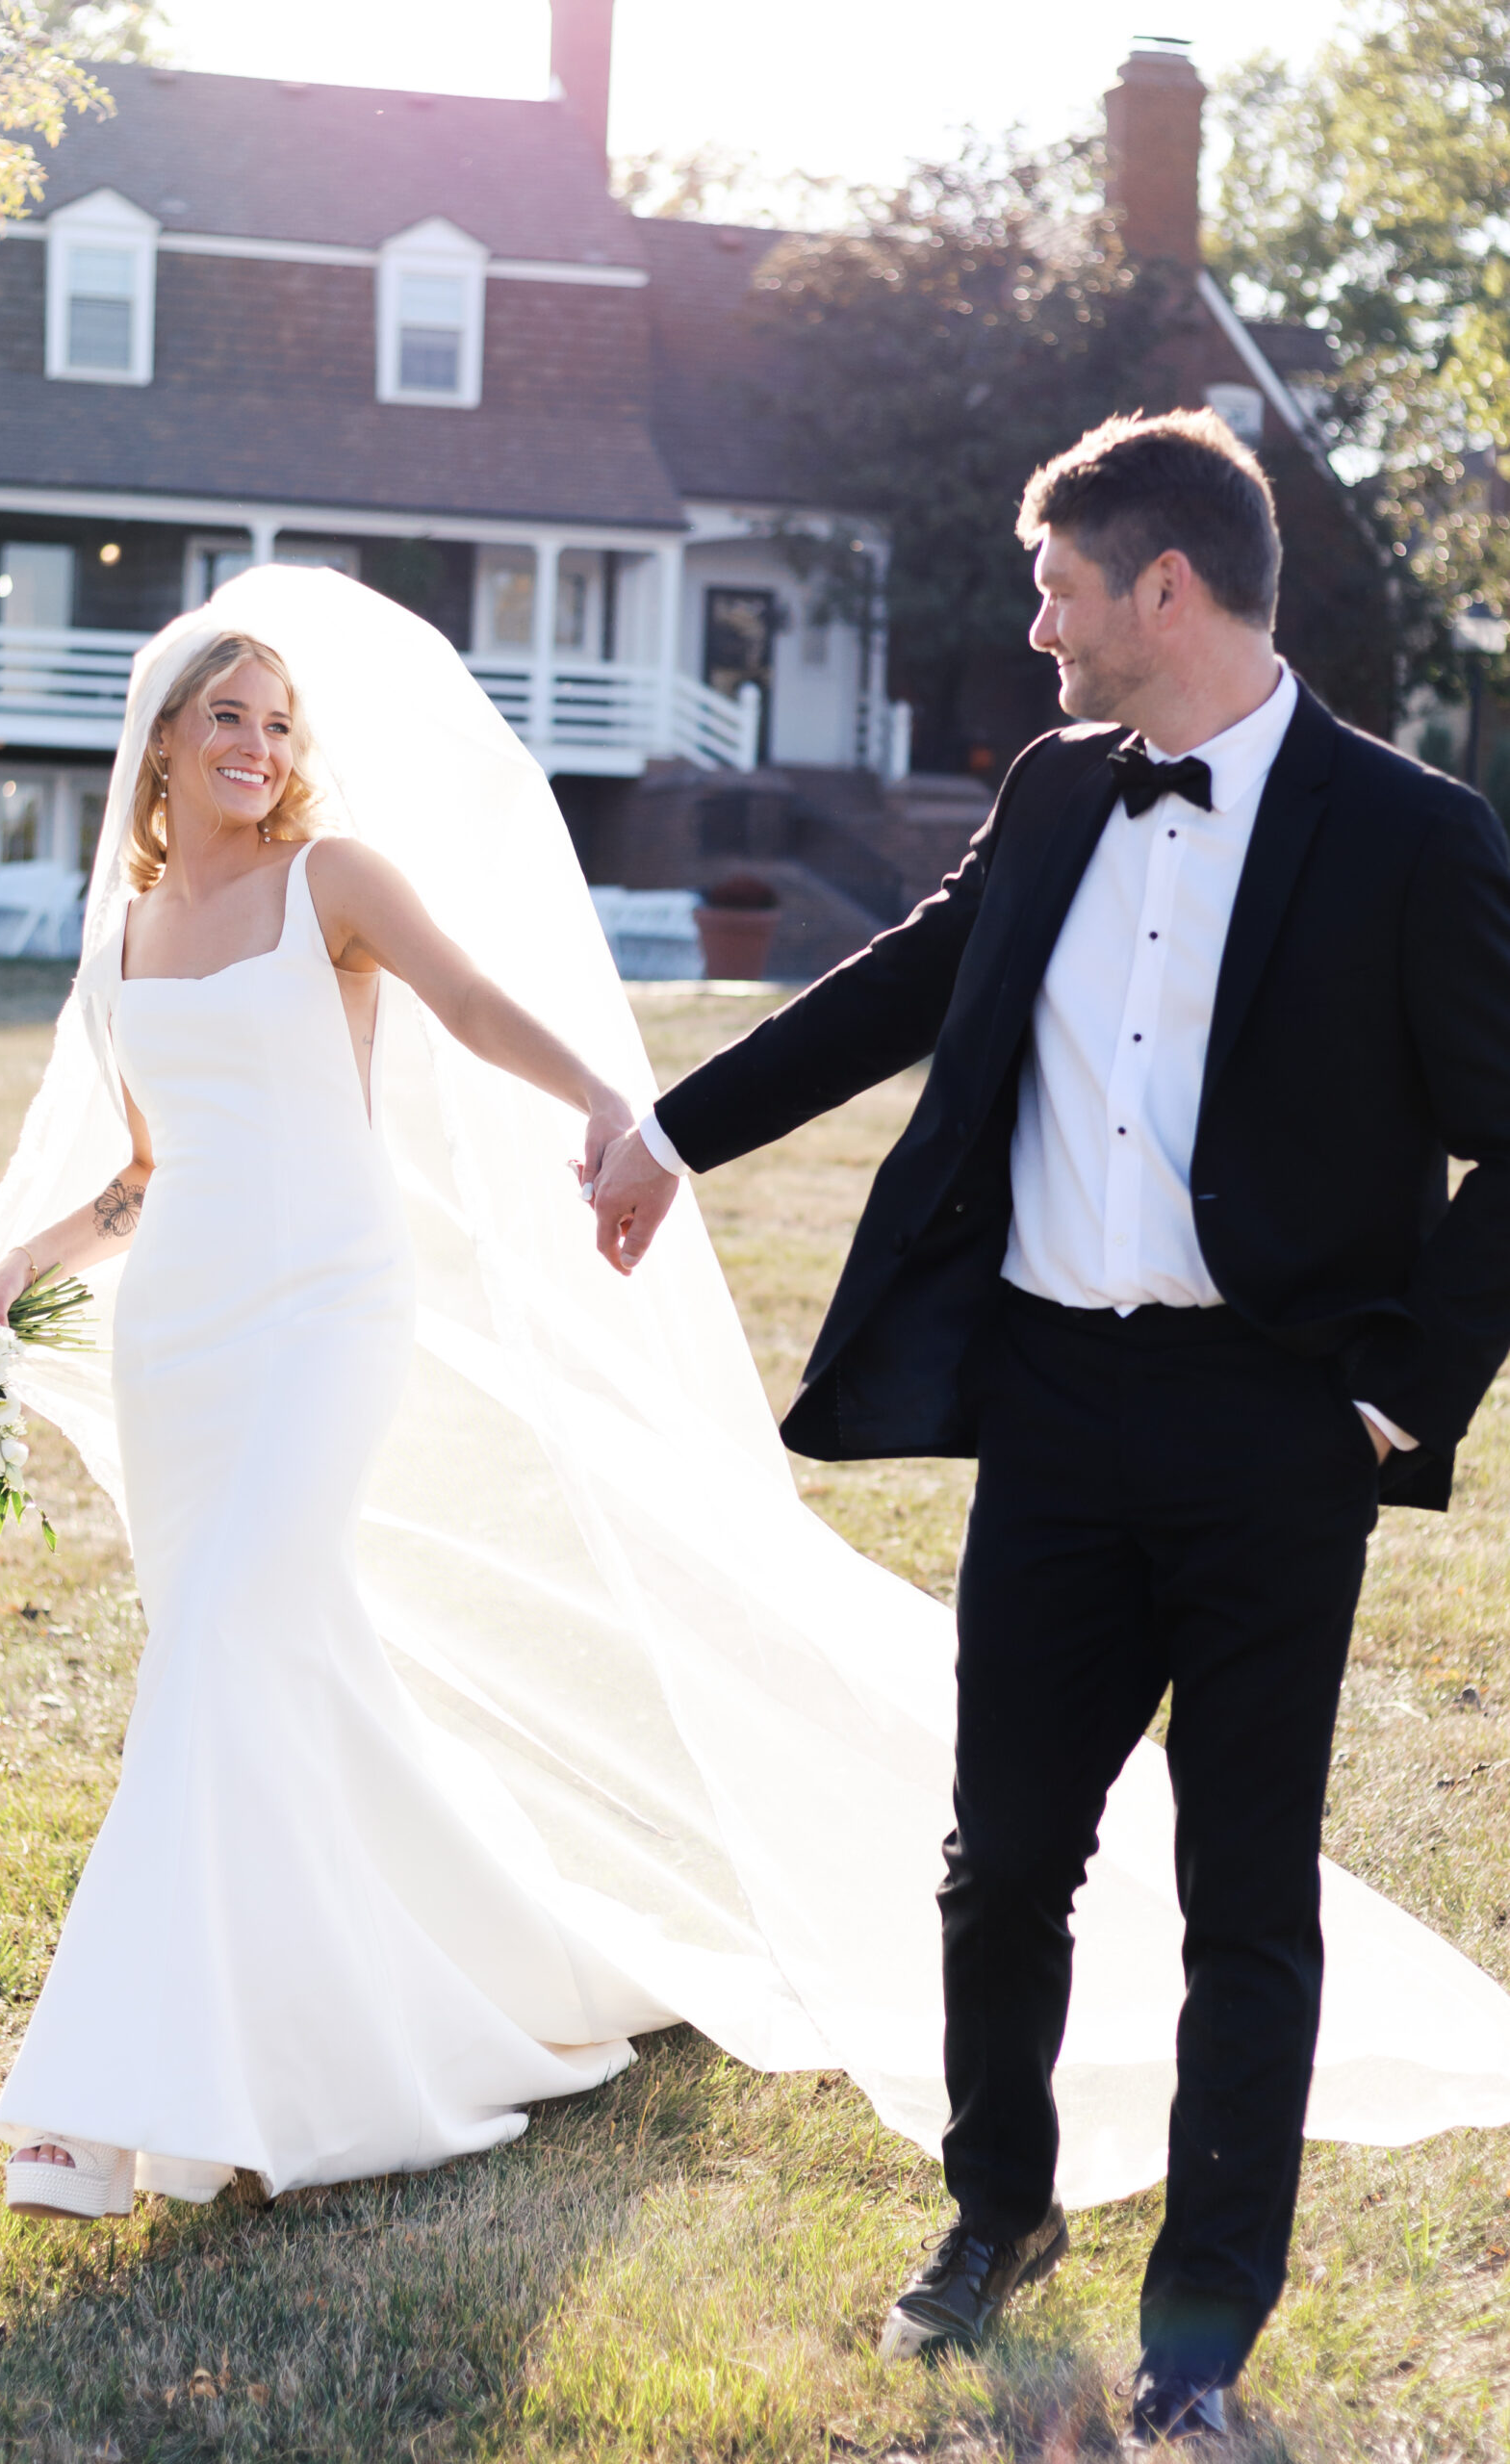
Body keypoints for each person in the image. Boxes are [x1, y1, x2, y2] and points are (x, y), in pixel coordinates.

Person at [588, 408, 1510, 2448]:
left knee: (1238, 1890)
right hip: (1054, 1405)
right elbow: (908, 980)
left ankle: (1199, 2327)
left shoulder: (1406, 833)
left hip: (1274, 1428)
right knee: (999, 1859)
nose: (1033, 627)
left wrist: (1388, 1393)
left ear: (1159, 590)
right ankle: (995, 2211)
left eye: (1054, 589)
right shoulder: (1050, 787)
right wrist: (668, 1125)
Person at [0, 624, 664, 2217]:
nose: (259, 747)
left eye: (279, 724)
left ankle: (92, 2105)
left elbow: (473, 1001)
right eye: (227, 717)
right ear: (159, 742)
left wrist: (606, 1103)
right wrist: (28, 1255)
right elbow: (150, 1169)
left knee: (218, 1646)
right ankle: (481, 1962)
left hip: (326, 1310)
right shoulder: (125, 936)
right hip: (182, 1344)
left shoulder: (330, 879)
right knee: (270, 1673)